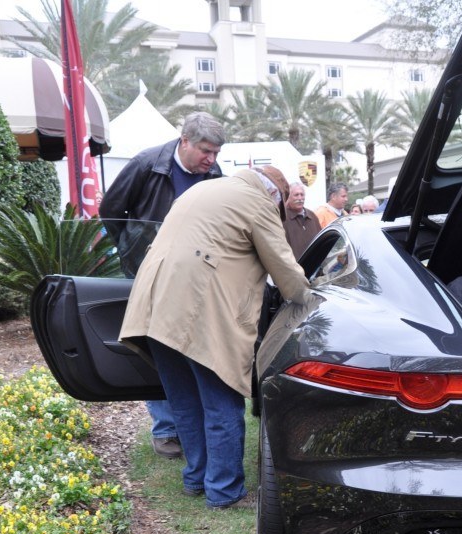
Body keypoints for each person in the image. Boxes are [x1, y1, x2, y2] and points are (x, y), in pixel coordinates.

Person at [118, 166, 313, 509]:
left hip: (153, 305)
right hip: (199, 309)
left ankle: (197, 478)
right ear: (273, 195)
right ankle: (224, 491)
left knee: (186, 400)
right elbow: (285, 269)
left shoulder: (202, 191)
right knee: (221, 399)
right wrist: (313, 300)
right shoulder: (257, 201)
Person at [100, 111, 226, 460]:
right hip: (148, 274)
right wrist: (134, 250)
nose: (211, 160)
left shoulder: (214, 174)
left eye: (216, 153)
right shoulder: (147, 164)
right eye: (205, 150)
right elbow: (111, 210)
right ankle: (166, 429)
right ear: (184, 141)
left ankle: (189, 425)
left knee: (188, 347)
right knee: (156, 349)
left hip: (195, 279)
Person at [283, 181, 322, 259]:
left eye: (302, 194)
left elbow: (321, 241)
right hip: (295, 268)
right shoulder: (283, 218)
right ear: (288, 197)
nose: (300, 198)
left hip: (316, 266)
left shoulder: (312, 216)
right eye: (296, 195)